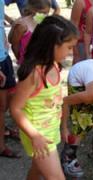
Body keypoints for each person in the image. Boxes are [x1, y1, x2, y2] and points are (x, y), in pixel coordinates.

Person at [10, 15, 78, 179]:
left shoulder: (54, 65)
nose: (71, 52)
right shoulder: (34, 74)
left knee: (38, 168)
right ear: (52, 45)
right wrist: (35, 136)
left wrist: (62, 127)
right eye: (69, 47)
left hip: (50, 129)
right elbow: (15, 108)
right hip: (37, 132)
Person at [0, 0, 20, 158]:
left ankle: (4, 130)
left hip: (4, 56)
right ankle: (1, 146)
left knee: (9, 99)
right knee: (2, 106)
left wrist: (8, 20)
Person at [8, 0, 50, 65]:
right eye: (43, 13)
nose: (45, 15)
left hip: (42, 62)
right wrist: (21, 61)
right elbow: (14, 46)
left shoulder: (44, 22)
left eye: (47, 13)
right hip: (28, 64)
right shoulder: (22, 26)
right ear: (33, 10)